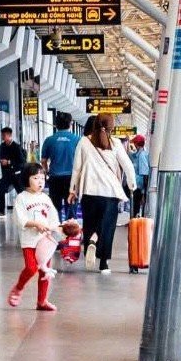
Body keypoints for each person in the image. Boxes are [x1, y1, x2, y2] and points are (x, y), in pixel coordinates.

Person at [68, 115, 137, 273]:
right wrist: (132, 185)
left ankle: (91, 239)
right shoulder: (116, 143)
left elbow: (76, 168)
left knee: (91, 223)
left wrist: (73, 190)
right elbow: (128, 166)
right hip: (110, 193)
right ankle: (104, 263)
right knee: (107, 226)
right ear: (111, 127)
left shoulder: (84, 142)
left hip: (89, 191)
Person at [7, 166, 62, 311]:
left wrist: (53, 228)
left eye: (42, 178)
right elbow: (20, 219)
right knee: (31, 268)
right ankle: (18, 288)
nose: (40, 182)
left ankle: (42, 301)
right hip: (29, 241)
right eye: (36, 178)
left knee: (45, 271)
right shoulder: (21, 198)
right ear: (27, 179)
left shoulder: (45, 198)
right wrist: (35, 224)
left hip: (45, 241)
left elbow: (53, 218)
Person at [39, 115, 81, 215]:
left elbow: (43, 160)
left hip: (55, 178)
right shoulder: (77, 139)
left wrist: (47, 171)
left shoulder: (49, 140)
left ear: (56, 125)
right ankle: (70, 228)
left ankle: (56, 228)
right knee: (71, 208)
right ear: (70, 124)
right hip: (72, 179)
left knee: (55, 209)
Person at [0, 126, 25, 215]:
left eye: (4, 135)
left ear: (9, 135)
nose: (2, 137)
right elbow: (2, 159)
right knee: (0, 191)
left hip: (16, 174)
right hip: (6, 174)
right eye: (2, 135)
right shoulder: (2, 146)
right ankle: (1, 211)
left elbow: (22, 162)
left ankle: (25, 210)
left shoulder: (16, 147)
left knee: (21, 193)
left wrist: (8, 162)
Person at [129, 135, 152, 217]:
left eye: (134, 143)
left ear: (137, 144)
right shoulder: (138, 154)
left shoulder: (142, 155)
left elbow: (145, 175)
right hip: (136, 185)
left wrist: (143, 193)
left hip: (139, 187)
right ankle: (133, 221)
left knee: (136, 206)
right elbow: (131, 155)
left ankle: (135, 222)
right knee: (135, 205)